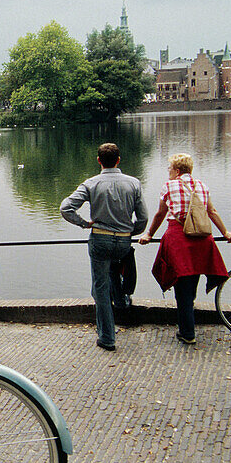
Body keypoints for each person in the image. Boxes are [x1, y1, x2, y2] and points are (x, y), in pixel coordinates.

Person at [138, 153, 231, 345]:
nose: (168, 172)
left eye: (169, 169)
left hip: (179, 239)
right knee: (192, 282)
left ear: (176, 170)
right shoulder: (202, 186)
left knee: (181, 285)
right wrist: (225, 232)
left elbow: (160, 213)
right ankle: (187, 324)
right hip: (202, 239)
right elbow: (211, 211)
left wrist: (149, 234)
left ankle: (188, 333)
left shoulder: (169, 186)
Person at [61, 143, 148, 351]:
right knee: (115, 271)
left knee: (100, 288)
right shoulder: (133, 183)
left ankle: (107, 337)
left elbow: (66, 208)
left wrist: (84, 223)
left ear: (99, 161)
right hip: (124, 242)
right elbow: (143, 218)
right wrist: (130, 232)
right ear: (118, 160)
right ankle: (121, 302)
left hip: (100, 239)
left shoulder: (91, 183)